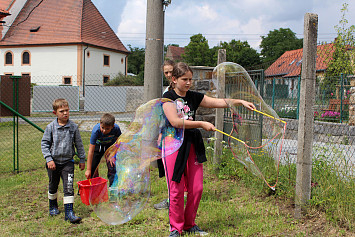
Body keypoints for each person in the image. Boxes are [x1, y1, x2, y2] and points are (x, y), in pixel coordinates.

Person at [161, 62, 256, 237]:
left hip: (192, 144)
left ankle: (190, 224)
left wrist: (239, 101)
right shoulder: (168, 97)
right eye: (184, 79)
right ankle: (175, 228)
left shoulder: (194, 96)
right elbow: (175, 122)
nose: (189, 83)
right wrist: (201, 124)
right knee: (176, 189)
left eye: (190, 79)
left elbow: (219, 102)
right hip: (173, 144)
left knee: (196, 188)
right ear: (174, 79)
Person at [41, 98, 86, 224]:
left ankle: (69, 213)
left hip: (68, 163)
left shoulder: (73, 127)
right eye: (62, 111)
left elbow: (79, 144)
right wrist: (49, 159)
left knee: (69, 187)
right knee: (53, 185)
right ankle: (53, 206)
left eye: (67, 110)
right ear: (55, 113)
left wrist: (82, 159)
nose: (65, 113)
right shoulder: (50, 127)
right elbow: (44, 144)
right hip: (53, 163)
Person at [85, 113, 122, 186]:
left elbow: (119, 143)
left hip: (110, 146)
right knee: (93, 168)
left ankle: (113, 187)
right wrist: (88, 169)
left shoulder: (116, 129)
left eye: (107, 129)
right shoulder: (96, 131)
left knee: (112, 166)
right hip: (98, 146)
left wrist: (112, 154)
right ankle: (91, 187)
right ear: (100, 124)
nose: (104, 130)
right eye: (102, 127)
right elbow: (91, 151)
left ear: (112, 126)